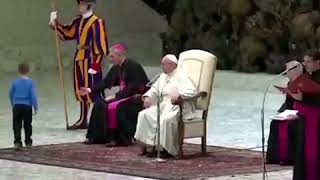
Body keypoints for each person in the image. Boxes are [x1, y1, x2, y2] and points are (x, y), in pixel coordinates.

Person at [49, 0, 108, 129]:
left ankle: (103, 119)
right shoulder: (78, 20)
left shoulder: (96, 22)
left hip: (90, 59)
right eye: (80, 3)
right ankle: (83, 120)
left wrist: (96, 65)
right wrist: (55, 23)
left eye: (82, 4)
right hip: (79, 58)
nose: (80, 6)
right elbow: (68, 33)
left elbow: (101, 45)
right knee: (81, 89)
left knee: (93, 90)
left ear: (89, 5)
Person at [80, 43, 149, 146]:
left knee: (115, 107)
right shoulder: (117, 67)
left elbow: (133, 88)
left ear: (120, 55)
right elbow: (106, 82)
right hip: (123, 96)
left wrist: (116, 96)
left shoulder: (133, 66)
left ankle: (120, 139)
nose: (110, 59)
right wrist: (90, 89)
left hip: (135, 97)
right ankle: (96, 137)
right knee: (99, 104)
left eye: (112, 56)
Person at [134, 54, 197, 158]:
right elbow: (154, 89)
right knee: (144, 114)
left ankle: (168, 150)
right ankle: (151, 146)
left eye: (163, 64)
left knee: (166, 120)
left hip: (178, 107)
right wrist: (148, 97)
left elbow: (192, 92)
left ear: (172, 65)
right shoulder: (163, 76)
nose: (162, 66)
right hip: (163, 105)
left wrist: (179, 96)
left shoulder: (182, 76)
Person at [290, 50, 320, 180]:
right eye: (304, 61)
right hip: (308, 116)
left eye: (309, 61)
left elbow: (302, 97)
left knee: (312, 150)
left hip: (314, 117)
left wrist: (293, 84)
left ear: (318, 62)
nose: (306, 64)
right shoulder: (310, 76)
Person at [266, 60, 304, 165]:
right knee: (275, 122)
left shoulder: (304, 81)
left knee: (291, 125)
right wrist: (282, 113)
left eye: (287, 70)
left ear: (295, 70)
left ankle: (289, 158)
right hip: (289, 109)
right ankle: (274, 157)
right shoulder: (290, 82)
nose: (286, 72)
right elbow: (288, 102)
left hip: (301, 111)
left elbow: (304, 100)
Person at [9, 63, 38, 150]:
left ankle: (17, 142)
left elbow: (10, 94)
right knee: (27, 124)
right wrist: (35, 107)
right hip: (27, 106)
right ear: (28, 71)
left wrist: (13, 103)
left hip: (17, 106)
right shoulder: (31, 83)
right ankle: (28, 142)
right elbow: (33, 96)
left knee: (16, 125)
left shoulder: (15, 82)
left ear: (18, 71)